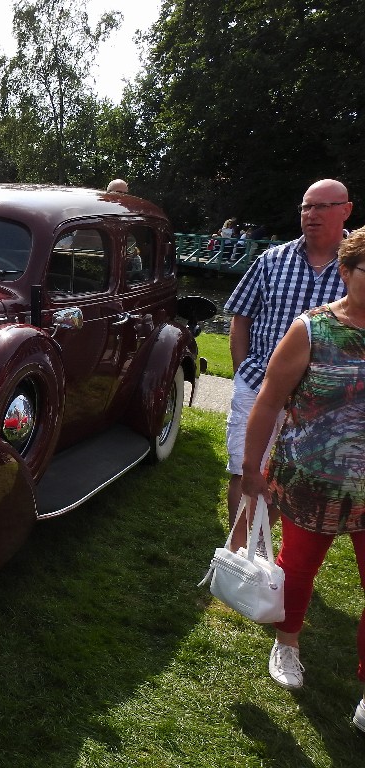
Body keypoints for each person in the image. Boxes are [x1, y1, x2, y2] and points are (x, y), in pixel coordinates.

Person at [240, 227, 365, 732]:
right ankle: (286, 643)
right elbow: (269, 399)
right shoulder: (312, 329)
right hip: (311, 479)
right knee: (298, 568)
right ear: (346, 271)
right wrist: (251, 471)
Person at [224, 179, 351, 548]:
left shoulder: (356, 268)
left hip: (318, 399)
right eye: (306, 207)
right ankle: (236, 549)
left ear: (346, 210)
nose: (311, 215)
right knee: (243, 468)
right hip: (258, 385)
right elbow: (241, 316)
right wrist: (241, 370)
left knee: (286, 476)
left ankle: (258, 545)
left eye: (322, 207)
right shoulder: (272, 260)